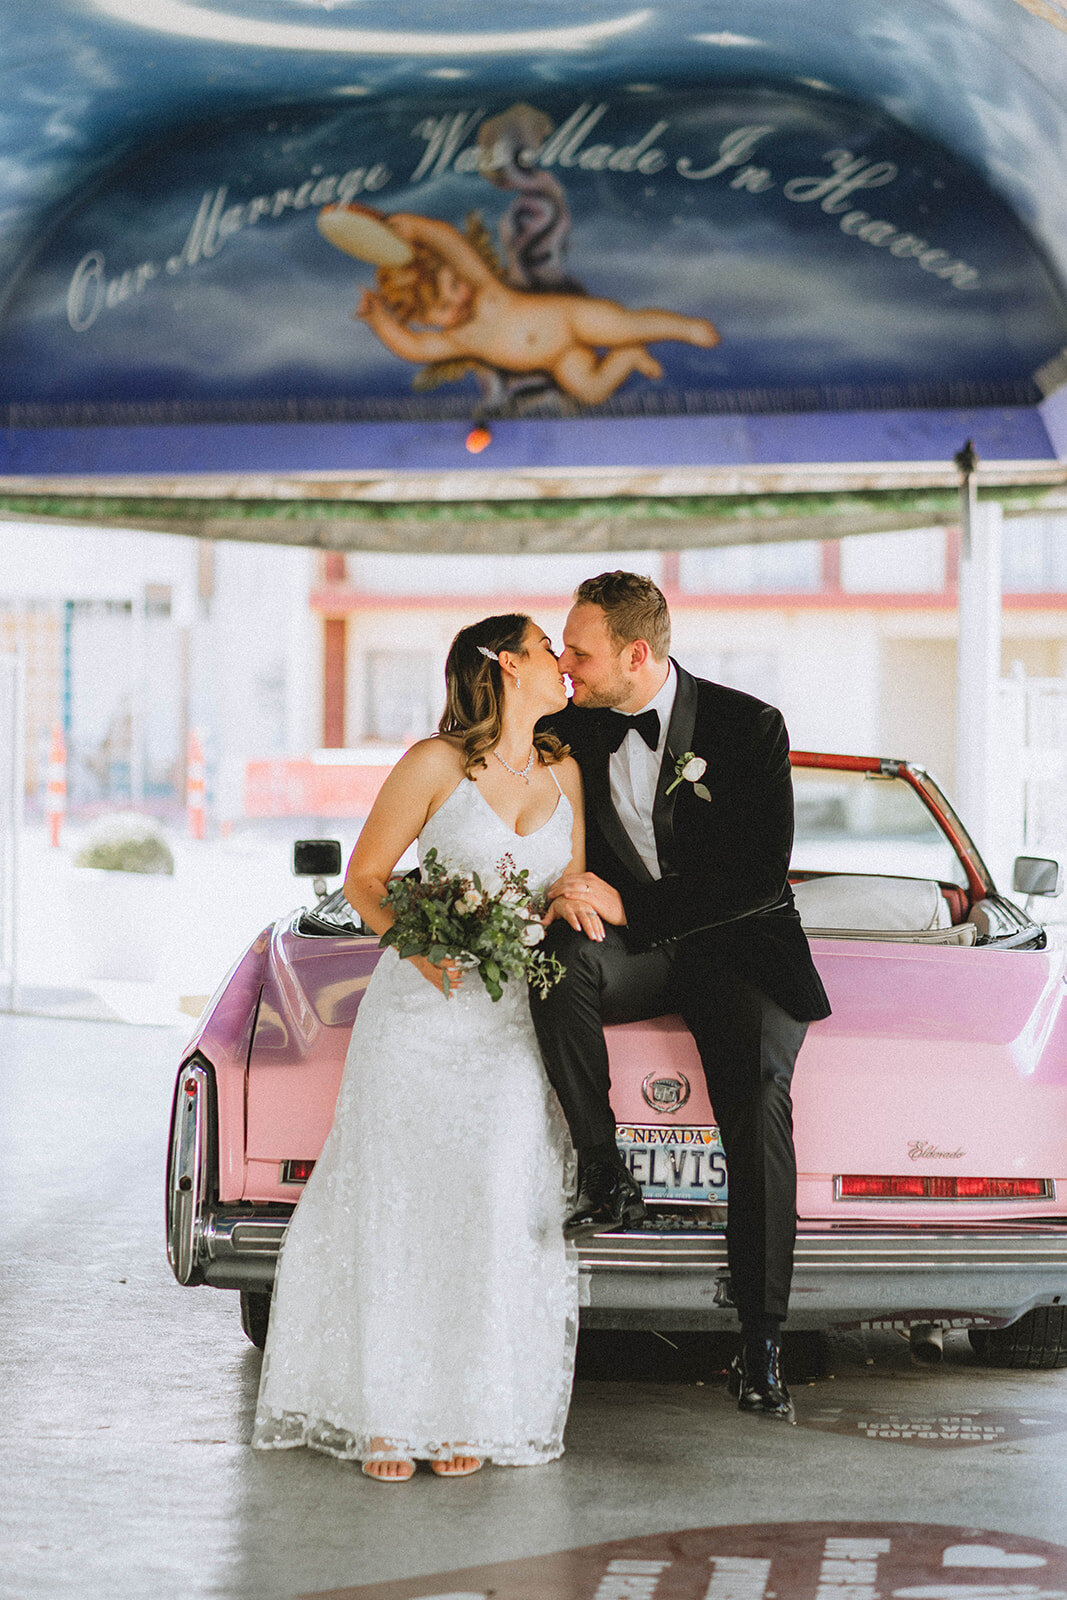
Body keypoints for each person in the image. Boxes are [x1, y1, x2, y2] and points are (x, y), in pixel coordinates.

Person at [252, 615, 587, 1479]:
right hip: (421, 1018)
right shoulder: (434, 765)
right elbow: (366, 879)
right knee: (403, 1203)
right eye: (549, 647)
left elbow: (566, 889)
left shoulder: (567, 772)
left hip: (512, 1018)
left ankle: (469, 1407)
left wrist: (577, 902)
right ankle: (389, 1418)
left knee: (488, 1202)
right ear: (508, 664)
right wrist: (420, 943)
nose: (562, 661)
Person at [532, 572, 832, 1421]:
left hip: (741, 948)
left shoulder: (748, 725)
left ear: (636, 653)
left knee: (759, 1099)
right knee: (559, 964)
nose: (565, 664)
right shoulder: (568, 726)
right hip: (643, 955)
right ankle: (604, 1168)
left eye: (579, 651)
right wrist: (566, 894)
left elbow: (756, 872)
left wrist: (632, 904)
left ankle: (762, 1341)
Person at [354, 211, 720, 405]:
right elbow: (414, 348)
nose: (459, 300)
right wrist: (378, 319)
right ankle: (628, 358)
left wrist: (415, 228)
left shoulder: (484, 288)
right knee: (590, 391)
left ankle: (682, 329)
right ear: (423, 319)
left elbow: (449, 241)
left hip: (571, 319)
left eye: (454, 286)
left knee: (626, 325)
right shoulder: (457, 341)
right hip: (558, 360)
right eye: (444, 309)